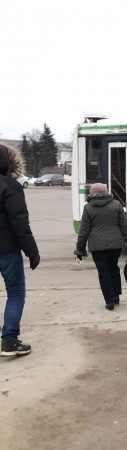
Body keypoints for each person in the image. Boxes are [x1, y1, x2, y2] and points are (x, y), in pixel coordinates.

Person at [0, 144, 40, 357]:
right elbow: (19, 223)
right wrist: (32, 252)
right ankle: (9, 340)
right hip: (6, 250)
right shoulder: (10, 186)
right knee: (15, 293)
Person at [75, 183, 127, 311]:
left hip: (97, 247)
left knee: (103, 272)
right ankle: (116, 296)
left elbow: (84, 231)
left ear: (92, 193)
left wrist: (80, 249)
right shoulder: (116, 205)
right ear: (106, 192)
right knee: (114, 268)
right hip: (115, 245)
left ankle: (109, 301)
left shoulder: (88, 208)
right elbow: (125, 227)